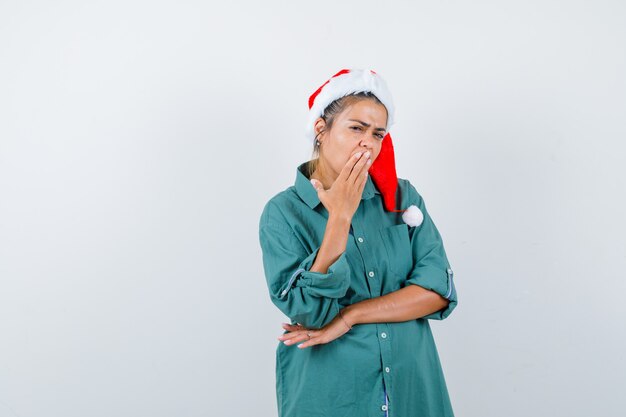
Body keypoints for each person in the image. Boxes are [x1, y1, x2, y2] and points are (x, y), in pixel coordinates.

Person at [258, 68, 458, 417]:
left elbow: (436, 291)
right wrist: (339, 218)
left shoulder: (402, 198)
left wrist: (350, 316)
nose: (368, 142)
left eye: (378, 133)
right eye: (356, 128)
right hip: (333, 395)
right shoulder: (283, 213)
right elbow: (309, 313)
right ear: (321, 129)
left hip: (413, 393)